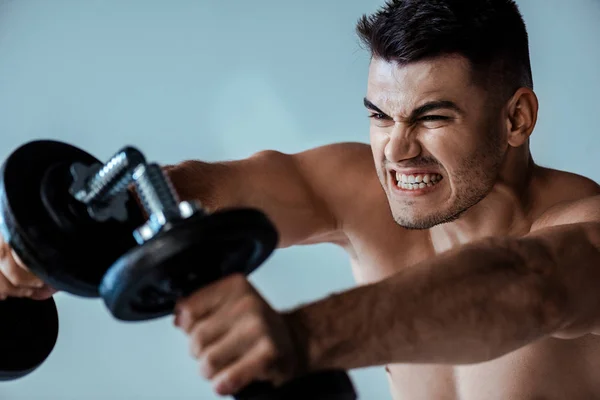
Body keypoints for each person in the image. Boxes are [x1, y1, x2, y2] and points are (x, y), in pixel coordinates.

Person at [2, 0, 600, 398]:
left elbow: (527, 287)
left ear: (516, 118)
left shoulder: (584, 229)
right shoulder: (364, 193)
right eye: (379, 115)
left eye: (432, 116)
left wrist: (306, 338)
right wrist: (66, 237)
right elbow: (221, 186)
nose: (396, 150)